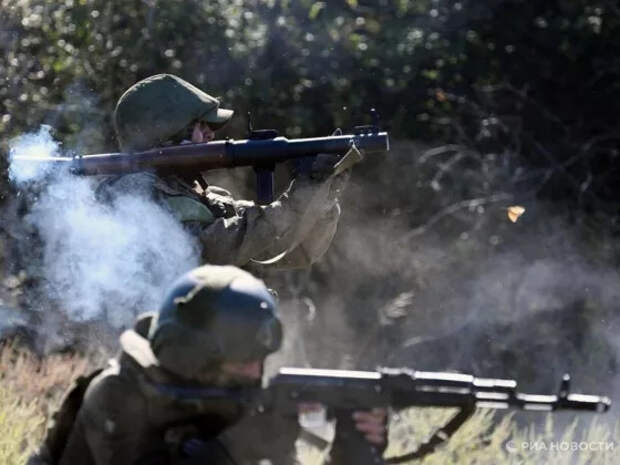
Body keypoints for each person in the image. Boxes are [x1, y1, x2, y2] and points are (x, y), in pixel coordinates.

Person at [31, 265, 387, 464]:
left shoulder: (236, 409)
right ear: (192, 356)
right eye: (242, 362)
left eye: (259, 360)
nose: (255, 374)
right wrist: (234, 449)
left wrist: (348, 455)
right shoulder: (119, 394)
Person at [99, 73, 358, 270]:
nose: (211, 134)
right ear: (167, 134)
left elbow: (285, 250)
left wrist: (321, 196)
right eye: (200, 126)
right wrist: (297, 197)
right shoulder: (131, 194)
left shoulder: (207, 197)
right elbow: (211, 250)